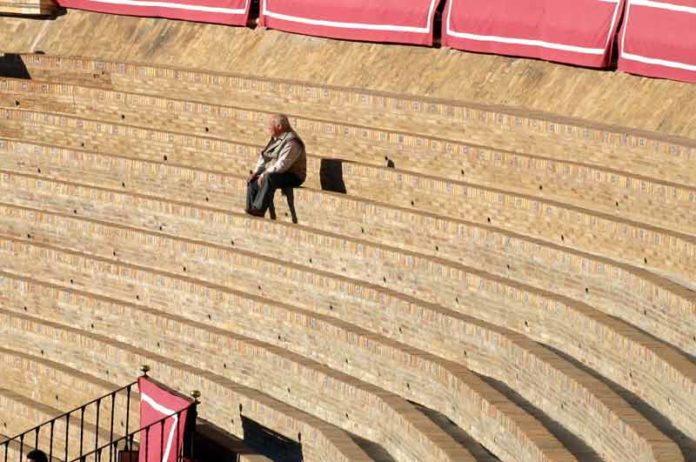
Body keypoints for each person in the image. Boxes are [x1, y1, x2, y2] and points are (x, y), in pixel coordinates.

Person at [245, 114, 306, 217]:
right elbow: (264, 156)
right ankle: (251, 208)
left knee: (269, 178)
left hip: (293, 176)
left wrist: (264, 174)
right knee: (253, 181)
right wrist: (256, 172)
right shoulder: (275, 139)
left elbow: (282, 165)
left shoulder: (292, 142)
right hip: (277, 173)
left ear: (279, 127)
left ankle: (259, 209)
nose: (268, 129)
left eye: (270, 126)